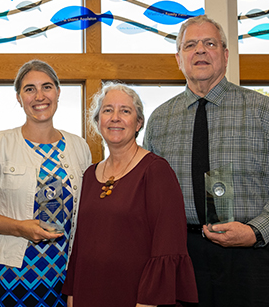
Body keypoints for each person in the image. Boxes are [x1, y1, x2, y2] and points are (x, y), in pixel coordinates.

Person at [143, 14, 269, 307]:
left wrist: (256, 231)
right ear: (179, 59)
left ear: (225, 55)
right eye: (190, 45)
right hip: (187, 260)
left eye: (209, 43)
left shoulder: (261, 110)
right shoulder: (160, 120)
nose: (200, 50)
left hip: (257, 259)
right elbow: (150, 197)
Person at [0, 60, 92, 307]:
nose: (39, 96)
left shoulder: (80, 147)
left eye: (46, 87)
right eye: (29, 89)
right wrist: (19, 228)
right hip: (10, 274)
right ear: (18, 97)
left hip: (64, 273)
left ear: (57, 92)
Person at [62, 82, 198, 307]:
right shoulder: (89, 175)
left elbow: (169, 243)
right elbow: (82, 243)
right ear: (98, 122)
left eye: (125, 111)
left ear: (139, 123)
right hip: (89, 292)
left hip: (137, 297)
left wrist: (148, 301)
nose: (115, 117)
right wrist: (73, 294)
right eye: (107, 110)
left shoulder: (156, 170)